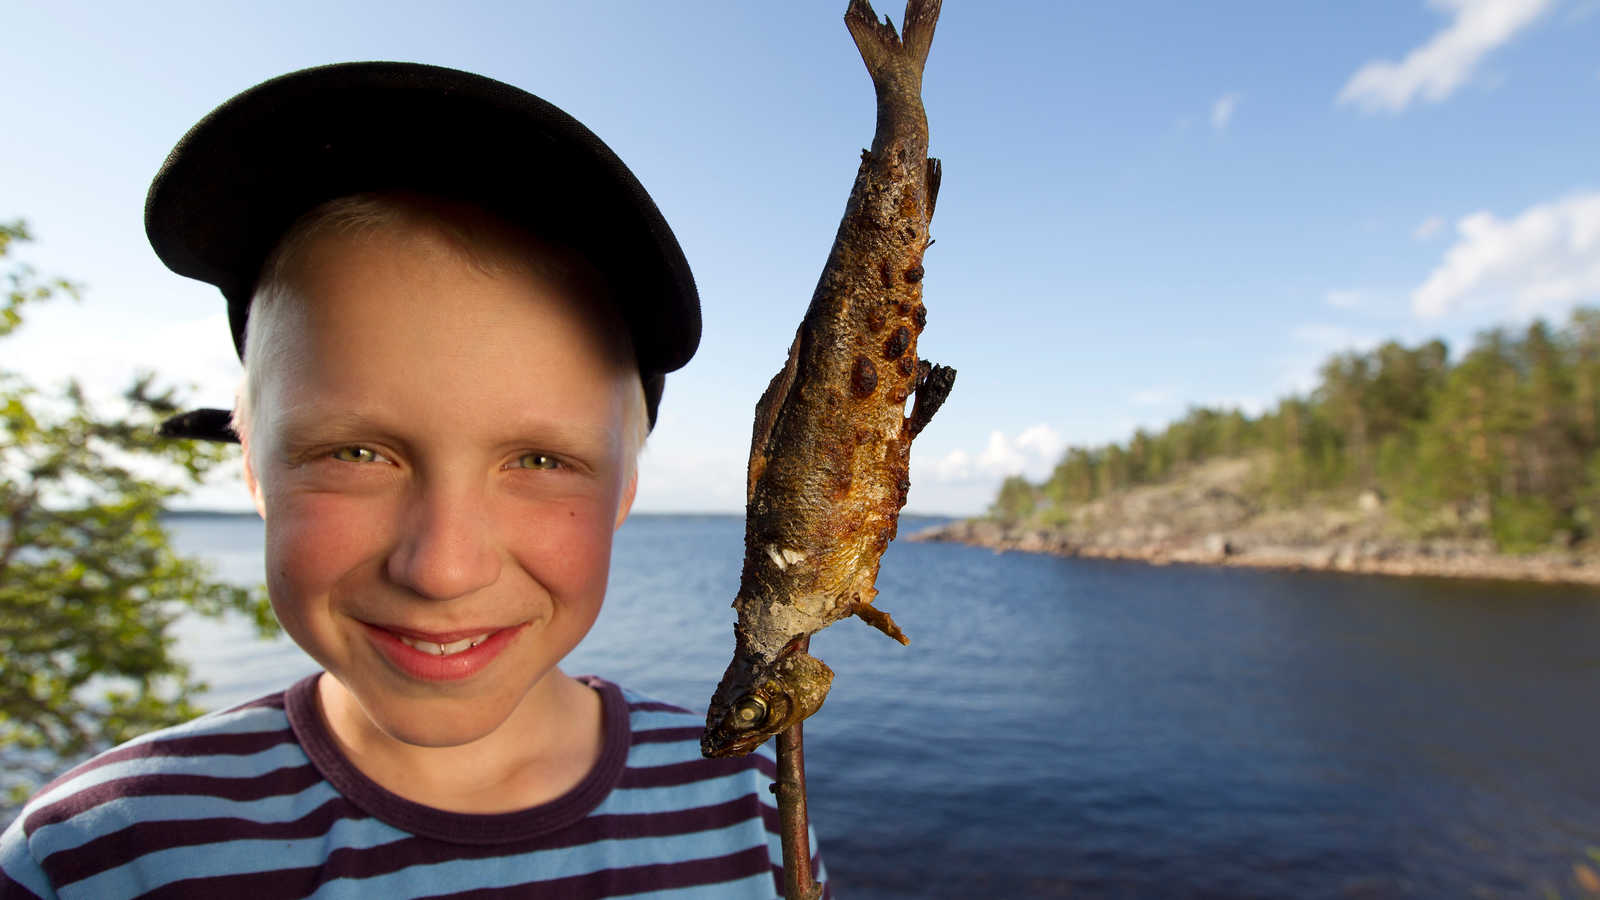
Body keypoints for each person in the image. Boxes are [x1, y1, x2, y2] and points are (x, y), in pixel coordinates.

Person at [0, 62, 826, 899]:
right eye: (354, 454)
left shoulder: (746, 800)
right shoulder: (94, 856)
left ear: (622, 492)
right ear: (254, 467)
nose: (443, 569)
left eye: (540, 461)